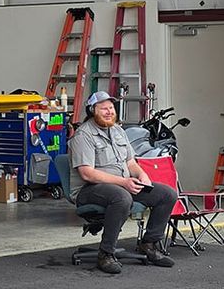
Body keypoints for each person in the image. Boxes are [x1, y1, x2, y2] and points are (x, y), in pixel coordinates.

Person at [69, 91, 177, 274]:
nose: (109, 112)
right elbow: (87, 174)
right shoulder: (83, 135)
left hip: (122, 184)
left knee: (167, 195)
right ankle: (106, 254)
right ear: (91, 111)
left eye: (111, 108)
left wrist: (142, 176)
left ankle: (149, 244)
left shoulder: (118, 131)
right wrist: (124, 182)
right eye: (104, 109)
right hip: (89, 190)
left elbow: (130, 163)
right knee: (122, 197)